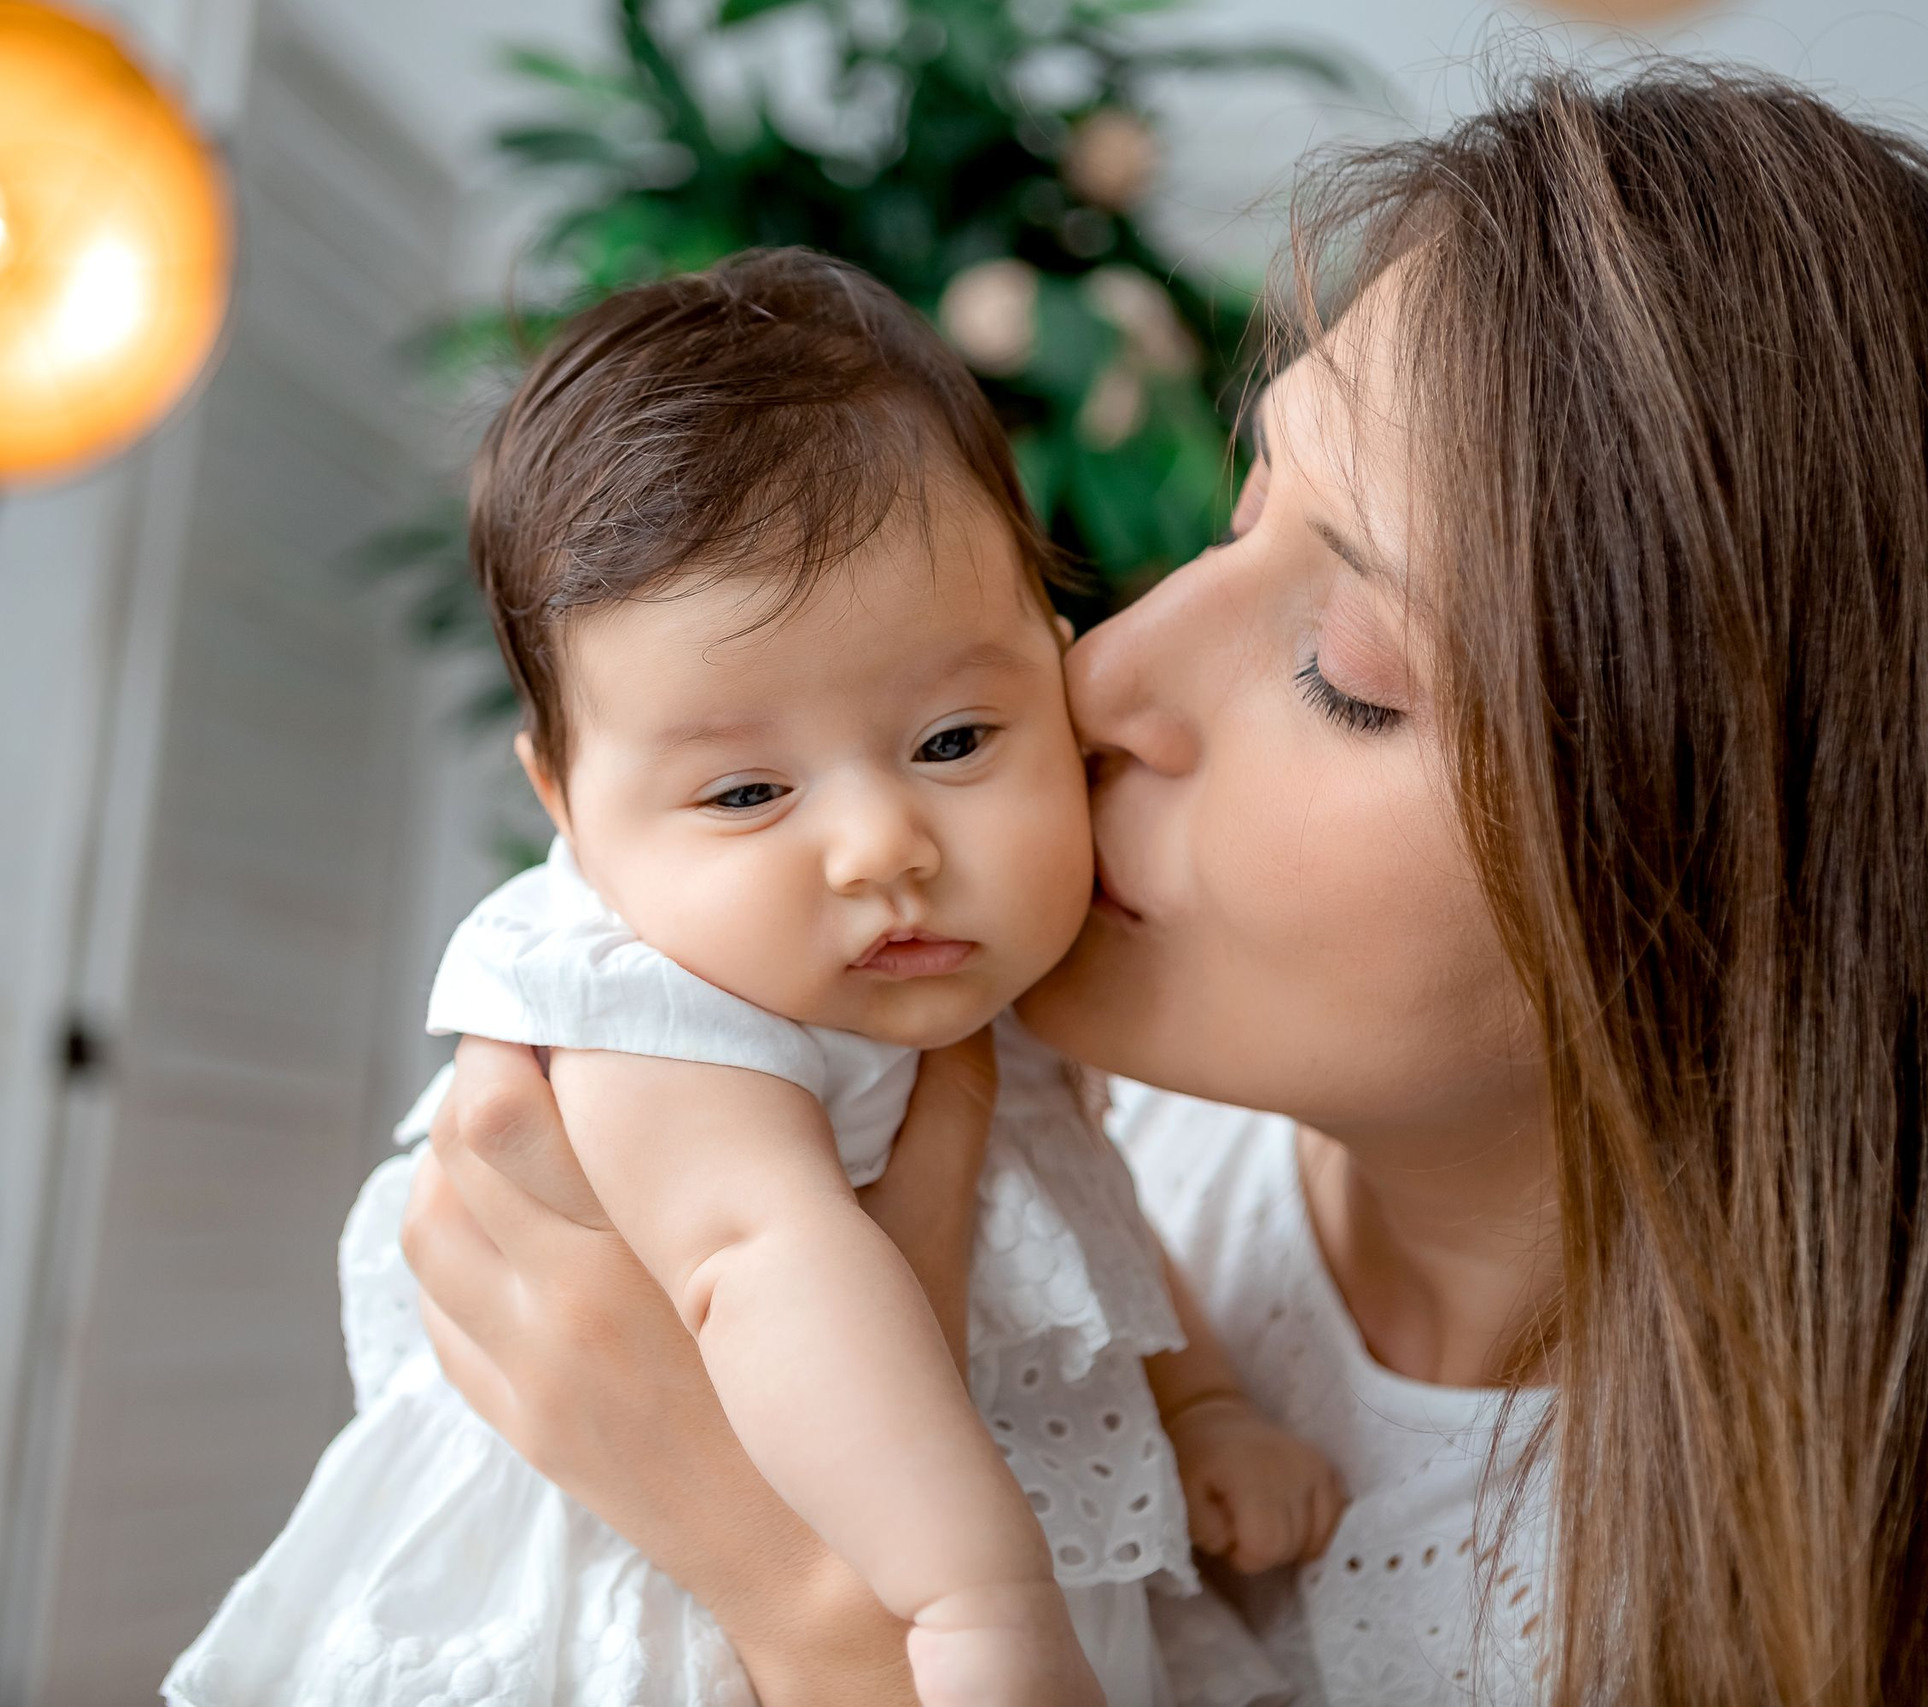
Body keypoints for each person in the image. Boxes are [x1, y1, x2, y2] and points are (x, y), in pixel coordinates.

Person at [400, 66, 1928, 1706]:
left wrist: (823, 1616)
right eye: (1240, 515)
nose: (1098, 679)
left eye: (1347, 668)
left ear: (1765, 882)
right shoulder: (1093, 1099)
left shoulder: (1774, 1621)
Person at [166, 251, 1338, 1707]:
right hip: (684, 1624)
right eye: (744, 795)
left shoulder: (959, 986)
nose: (878, 847)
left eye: (957, 741)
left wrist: (1200, 1401)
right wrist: (972, 1601)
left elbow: (1072, 1208)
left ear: (1052, 668)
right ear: (570, 808)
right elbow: (760, 1271)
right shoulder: (645, 1005)